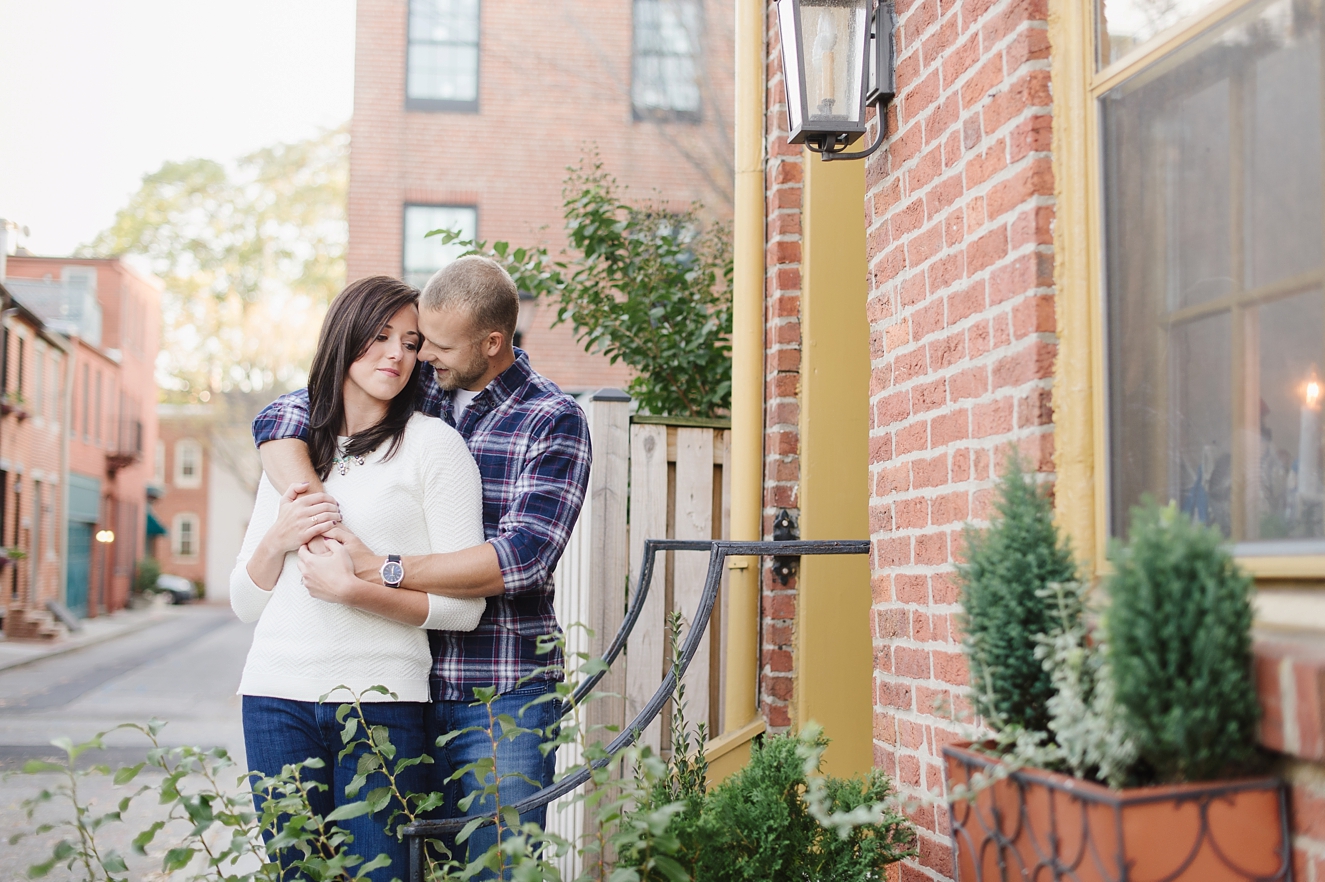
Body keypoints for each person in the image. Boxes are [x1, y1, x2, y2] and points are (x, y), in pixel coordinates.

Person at [250, 256, 592, 874]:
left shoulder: (552, 419)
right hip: (406, 687)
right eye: (415, 340)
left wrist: (380, 567)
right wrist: (313, 511)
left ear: (492, 344)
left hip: (498, 691)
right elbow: (283, 416)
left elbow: (521, 560)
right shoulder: (429, 384)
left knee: (496, 867)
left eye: (433, 343)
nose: (419, 354)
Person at [231, 276, 487, 880]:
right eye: (380, 336)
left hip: (385, 703)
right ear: (344, 337)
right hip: (275, 698)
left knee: (379, 874)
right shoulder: (292, 448)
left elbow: (464, 610)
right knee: (298, 873)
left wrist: (356, 590)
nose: (397, 354)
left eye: (411, 341)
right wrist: (279, 536)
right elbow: (245, 601)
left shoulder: (435, 449)